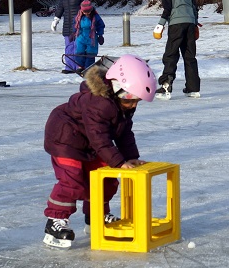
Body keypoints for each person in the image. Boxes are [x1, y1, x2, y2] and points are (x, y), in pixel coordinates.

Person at [41, 55, 157, 248]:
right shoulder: (99, 103)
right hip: (66, 139)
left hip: (89, 142)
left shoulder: (122, 105)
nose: (134, 105)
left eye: (137, 101)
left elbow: (124, 133)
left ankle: (96, 217)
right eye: (131, 100)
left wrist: (130, 157)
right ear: (118, 89)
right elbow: (99, 137)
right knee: (72, 181)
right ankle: (55, 220)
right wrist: (119, 162)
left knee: (106, 178)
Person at [153, 0, 200, 99]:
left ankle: (166, 85)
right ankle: (193, 88)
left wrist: (160, 25)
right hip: (190, 24)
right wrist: (195, 23)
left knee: (171, 54)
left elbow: (168, 8)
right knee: (190, 55)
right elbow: (194, 7)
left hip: (176, 25)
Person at [50, 0, 91, 74]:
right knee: (69, 45)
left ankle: (79, 66)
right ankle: (69, 67)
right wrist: (56, 19)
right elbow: (60, 6)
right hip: (67, 23)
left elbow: (86, 3)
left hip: (79, 22)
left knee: (79, 45)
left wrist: (87, 17)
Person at [66, 0, 106, 74]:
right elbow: (75, 25)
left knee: (91, 53)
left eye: (88, 12)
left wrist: (100, 35)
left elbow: (101, 25)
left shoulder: (95, 16)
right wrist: (73, 33)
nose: (87, 13)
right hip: (81, 36)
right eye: (85, 12)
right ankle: (80, 66)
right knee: (79, 52)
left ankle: (88, 67)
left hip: (92, 37)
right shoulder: (78, 16)